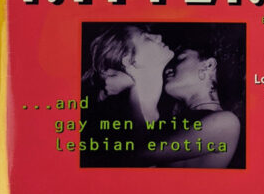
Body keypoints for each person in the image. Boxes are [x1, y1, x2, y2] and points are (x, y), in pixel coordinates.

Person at [84, 24, 244, 168]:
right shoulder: (167, 120)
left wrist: (135, 83)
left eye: (180, 59)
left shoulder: (225, 123)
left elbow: (134, 155)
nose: (169, 68)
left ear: (208, 65)